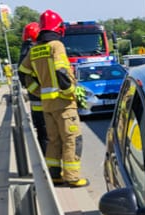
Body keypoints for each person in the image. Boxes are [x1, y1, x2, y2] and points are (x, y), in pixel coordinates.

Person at [19, 10, 89, 188]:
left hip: (47, 104)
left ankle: (54, 175)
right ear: (58, 28)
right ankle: (72, 177)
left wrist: (38, 91)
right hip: (63, 103)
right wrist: (70, 92)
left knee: (54, 140)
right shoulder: (56, 45)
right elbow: (61, 71)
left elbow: (23, 73)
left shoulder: (34, 49)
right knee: (72, 139)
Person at [19, 22, 47, 154]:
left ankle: (46, 160)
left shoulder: (26, 49)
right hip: (41, 98)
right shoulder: (32, 49)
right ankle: (48, 162)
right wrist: (38, 91)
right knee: (46, 133)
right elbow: (24, 74)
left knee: (42, 131)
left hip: (36, 98)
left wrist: (33, 90)